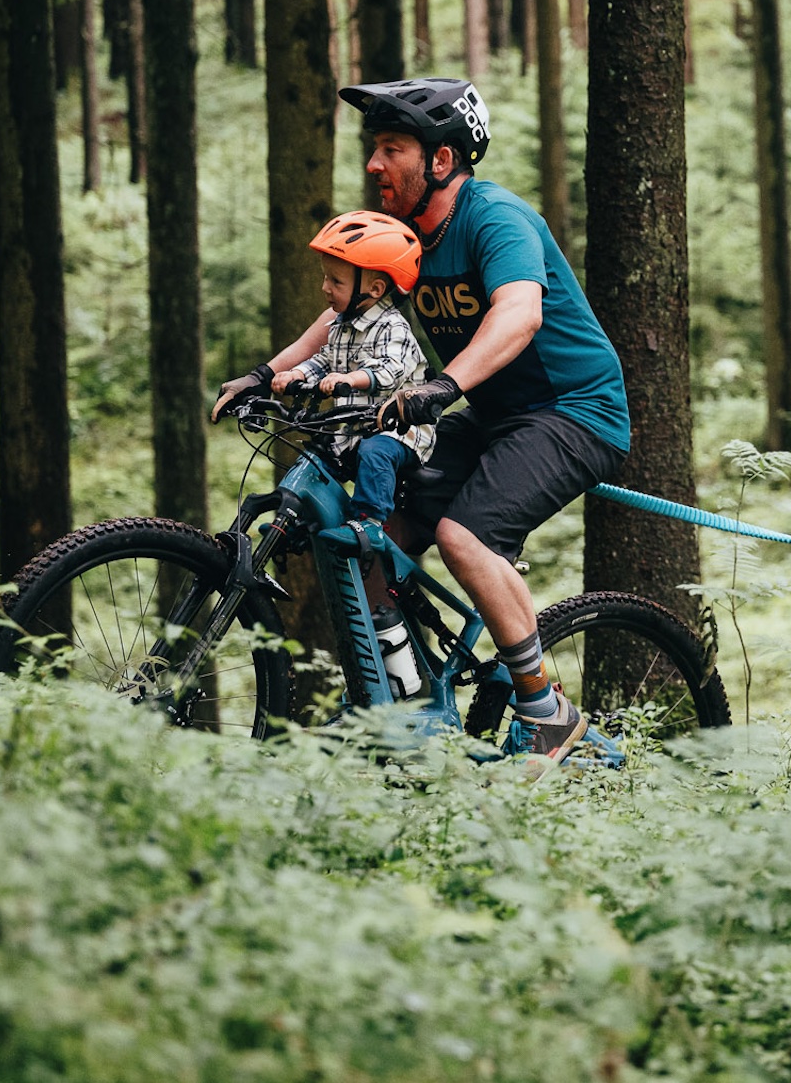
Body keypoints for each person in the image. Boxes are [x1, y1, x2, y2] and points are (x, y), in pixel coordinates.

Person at [212, 77, 628, 763]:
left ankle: (546, 712)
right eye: (374, 148)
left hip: (575, 412)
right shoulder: (404, 239)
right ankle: (409, 706)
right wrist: (266, 374)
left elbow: (519, 312)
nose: (374, 164)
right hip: (489, 412)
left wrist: (443, 385)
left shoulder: (494, 218)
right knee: (370, 541)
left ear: (441, 160)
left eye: (392, 147)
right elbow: (343, 311)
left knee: (466, 537)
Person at [268, 211, 434, 532]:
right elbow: (324, 360)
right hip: (353, 428)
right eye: (325, 278)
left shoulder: (392, 327)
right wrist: (298, 374)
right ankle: (292, 523)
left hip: (397, 433)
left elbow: (389, 371)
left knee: (375, 452)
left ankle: (368, 522)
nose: (324, 288)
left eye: (335, 281)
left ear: (374, 288)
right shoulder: (340, 326)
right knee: (316, 460)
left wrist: (349, 379)